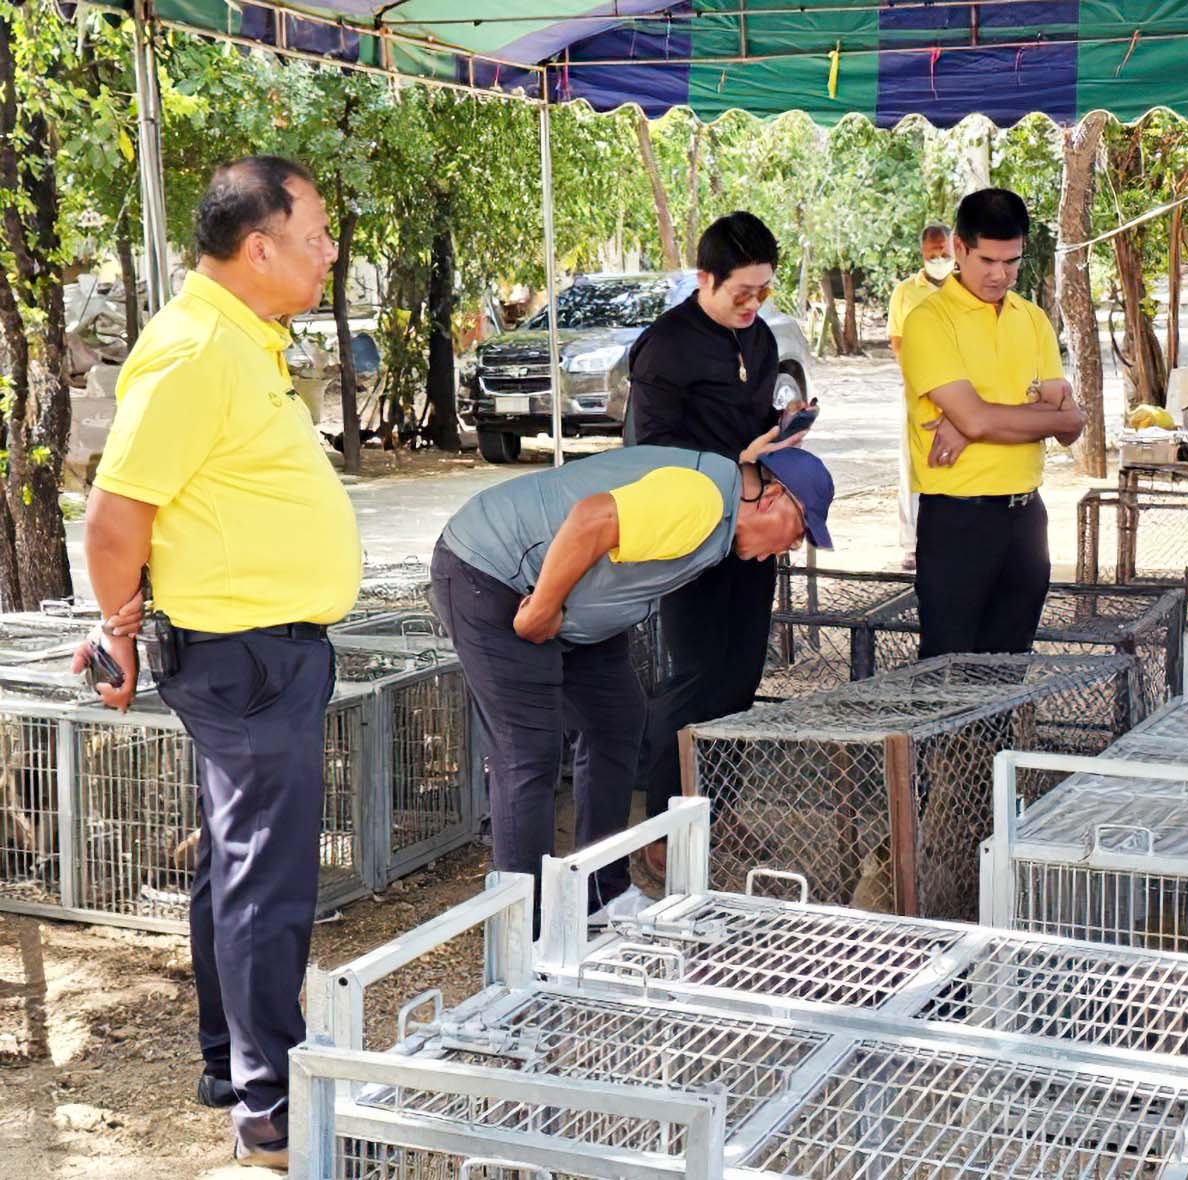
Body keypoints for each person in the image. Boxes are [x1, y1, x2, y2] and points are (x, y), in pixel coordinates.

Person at [73, 157, 359, 1169]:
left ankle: (225, 1061)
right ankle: (271, 1104)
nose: (331, 249)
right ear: (260, 245)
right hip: (245, 657)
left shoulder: (247, 339)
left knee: (237, 868)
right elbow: (114, 518)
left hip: (266, 649)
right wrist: (115, 625)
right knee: (266, 879)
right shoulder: (194, 349)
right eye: (317, 231)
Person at [430, 442, 833, 925]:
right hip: (494, 573)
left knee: (617, 720)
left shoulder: (721, 503)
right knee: (528, 753)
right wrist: (541, 608)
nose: (790, 548)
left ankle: (601, 895)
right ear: (772, 499)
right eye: (799, 532)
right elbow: (592, 519)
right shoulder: (702, 500)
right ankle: (524, 934)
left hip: (571, 603)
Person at [626, 212, 805, 878]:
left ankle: (717, 805)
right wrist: (738, 459)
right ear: (704, 278)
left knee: (741, 671)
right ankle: (660, 823)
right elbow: (652, 451)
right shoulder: (665, 347)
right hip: (689, 530)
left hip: (749, 528)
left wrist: (785, 427)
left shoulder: (756, 339)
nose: (753, 305)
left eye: (763, 292)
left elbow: (753, 417)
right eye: (742, 292)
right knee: (694, 674)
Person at [899, 188, 1084, 658]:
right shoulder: (928, 320)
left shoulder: (1035, 318)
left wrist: (973, 424)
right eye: (987, 260)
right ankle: (946, 739)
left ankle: (1001, 736)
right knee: (949, 670)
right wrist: (994, 417)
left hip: (1027, 518)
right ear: (958, 248)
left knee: (1010, 664)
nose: (1000, 274)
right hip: (959, 518)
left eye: (1012, 261)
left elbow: (1072, 425)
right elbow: (1038, 416)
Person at [888, 224, 954, 570]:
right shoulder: (905, 292)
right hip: (918, 392)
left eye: (944, 253)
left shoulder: (966, 289)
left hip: (962, 392)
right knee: (913, 465)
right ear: (922, 254)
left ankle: (953, 538)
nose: (938, 259)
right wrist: (917, 381)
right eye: (932, 255)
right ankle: (912, 544)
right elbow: (897, 341)